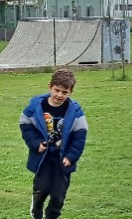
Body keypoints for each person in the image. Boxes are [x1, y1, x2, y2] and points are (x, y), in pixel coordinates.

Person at [19, 68, 88, 219]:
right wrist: (36, 143)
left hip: (63, 159)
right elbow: (25, 125)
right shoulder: (36, 107)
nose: (59, 95)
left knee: (58, 196)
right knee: (42, 189)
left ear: (70, 92)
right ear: (50, 87)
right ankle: (36, 207)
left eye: (64, 92)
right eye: (57, 90)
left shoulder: (74, 111)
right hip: (43, 158)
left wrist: (71, 156)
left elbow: (80, 136)